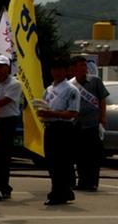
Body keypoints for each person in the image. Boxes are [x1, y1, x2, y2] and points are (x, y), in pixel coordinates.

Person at [38, 56, 80, 206]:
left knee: (61, 162)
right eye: (54, 69)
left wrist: (53, 114)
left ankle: (58, 193)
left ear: (66, 71)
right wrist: (42, 113)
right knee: (51, 162)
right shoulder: (49, 89)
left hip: (63, 128)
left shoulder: (71, 90)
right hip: (50, 127)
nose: (57, 72)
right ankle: (64, 191)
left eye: (60, 69)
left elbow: (73, 113)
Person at [69, 55, 109, 191]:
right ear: (73, 68)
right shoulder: (71, 84)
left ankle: (92, 182)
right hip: (76, 124)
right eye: (81, 65)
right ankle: (82, 182)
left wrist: (103, 117)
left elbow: (102, 99)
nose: (84, 68)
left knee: (93, 155)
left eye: (85, 65)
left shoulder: (95, 81)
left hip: (92, 123)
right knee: (80, 155)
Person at [0, 55, 22, 199]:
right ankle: (0, 185)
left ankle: (2, 186)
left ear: (8, 68)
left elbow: (4, 101)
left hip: (8, 121)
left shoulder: (15, 83)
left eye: (1, 66)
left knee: (3, 155)